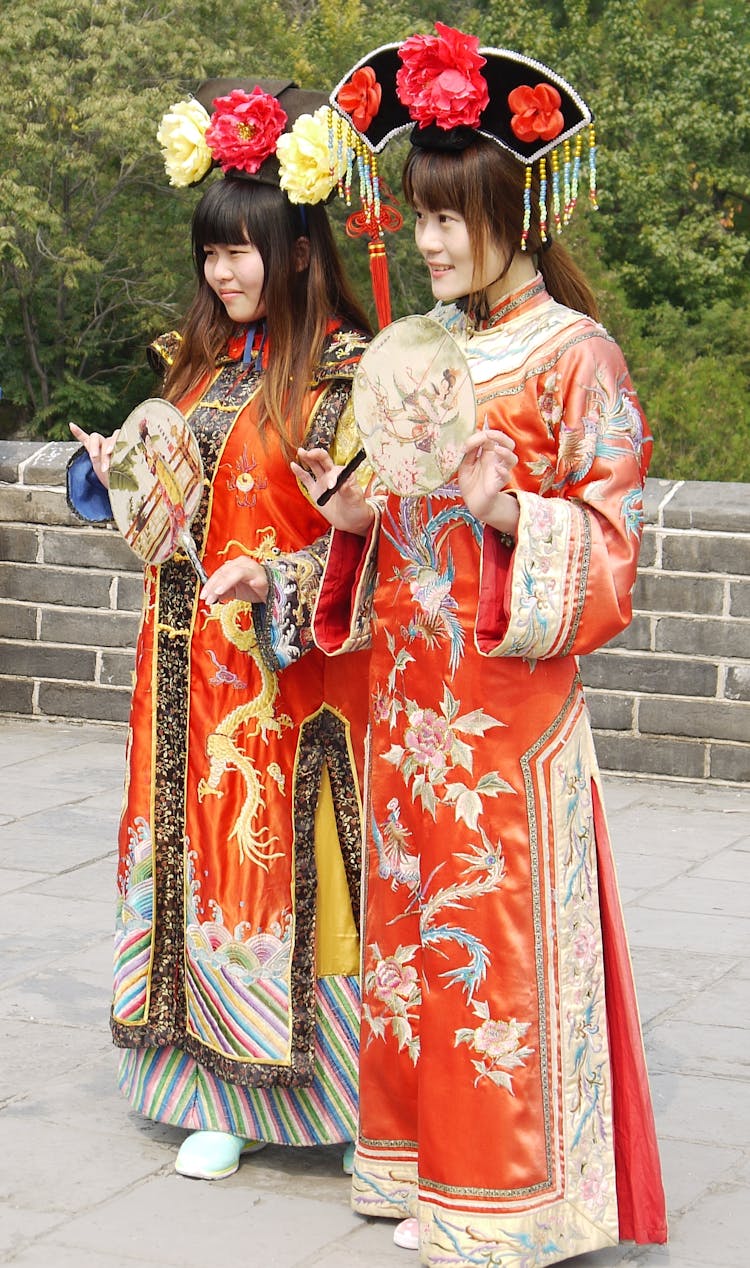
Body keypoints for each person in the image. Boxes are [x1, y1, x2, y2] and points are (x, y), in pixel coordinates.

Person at [290, 26, 668, 1264]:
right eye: (421, 213)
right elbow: (386, 516)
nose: (434, 240)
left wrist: (515, 512)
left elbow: (613, 548)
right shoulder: (420, 354)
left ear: (517, 212)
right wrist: (347, 513)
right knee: (408, 941)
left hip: (506, 711)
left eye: (457, 217)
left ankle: (514, 1191)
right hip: (411, 695)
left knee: (490, 943)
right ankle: (417, 1164)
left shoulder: (575, 358)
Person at [66, 77, 372, 1181]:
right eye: (211, 252)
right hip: (182, 665)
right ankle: (209, 1089)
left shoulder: (347, 373)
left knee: (286, 869)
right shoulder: (201, 365)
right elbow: (171, 521)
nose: (224, 271)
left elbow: (374, 540)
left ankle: (330, 1091)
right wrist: (118, 472)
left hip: (287, 679)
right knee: (189, 865)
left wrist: (280, 575)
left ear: (299, 248)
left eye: (244, 249)